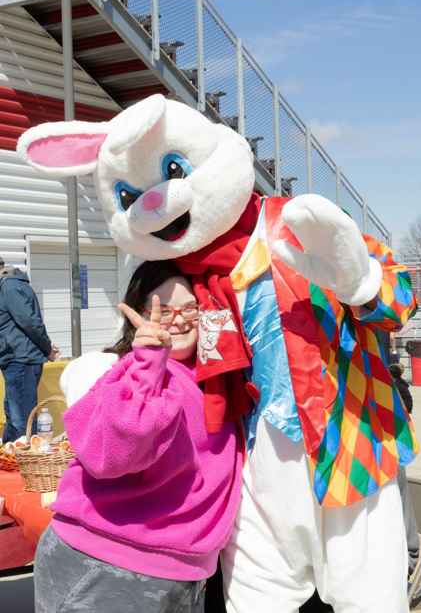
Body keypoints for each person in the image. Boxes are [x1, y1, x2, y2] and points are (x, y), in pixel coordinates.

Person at [34, 261, 243, 613]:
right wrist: (148, 363)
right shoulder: (129, 372)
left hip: (181, 574)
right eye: (160, 309)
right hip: (105, 564)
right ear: (139, 315)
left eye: (189, 307)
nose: (177, 320)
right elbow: (110, 456)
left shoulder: (216, 380)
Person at [0, 258, 60, 442]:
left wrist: (46, 347)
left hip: (21, 360)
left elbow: (30, 322)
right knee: (13, 416)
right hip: (15, 359)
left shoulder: (9, 288)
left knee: (22, 419)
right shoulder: (8, 286)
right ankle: (7, 460)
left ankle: (22, 467)